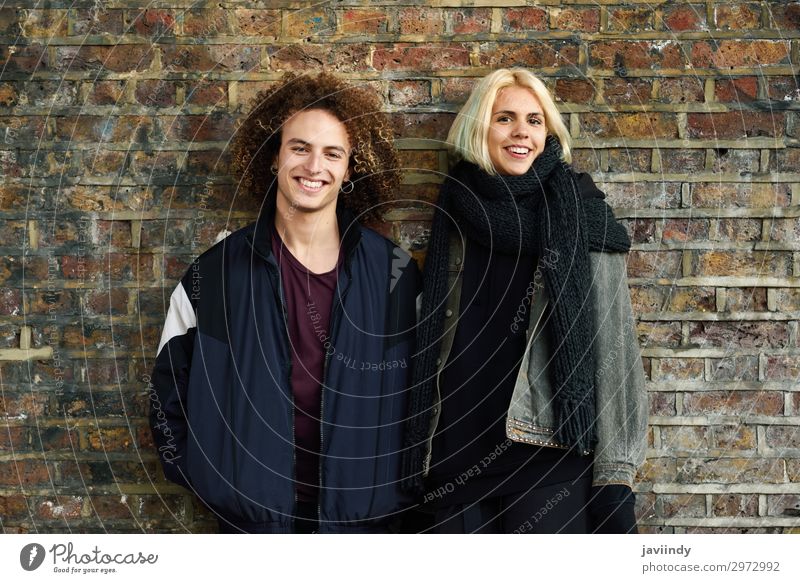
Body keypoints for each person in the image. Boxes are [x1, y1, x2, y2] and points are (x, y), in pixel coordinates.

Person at [149, 71, 419, 533]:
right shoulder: (213, 275)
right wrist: (217, 484)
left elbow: (425, 392)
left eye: (332, 153)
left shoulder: (395, 274)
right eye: (300, 147)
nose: (314, 166)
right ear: (275, 156)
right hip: (250, 525)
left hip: (367, 525)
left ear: (350, 168)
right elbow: (166, 394)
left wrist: (395, 491)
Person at [402, 68, 647, 534]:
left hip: (547, 458)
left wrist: (616, 477)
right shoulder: (455, 206)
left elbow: (615, 347)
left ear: (548, 132)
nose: (522, 133)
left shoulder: (581, 212)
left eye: (535, 121)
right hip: (453, 457)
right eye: (505, 118)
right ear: (480, 127)